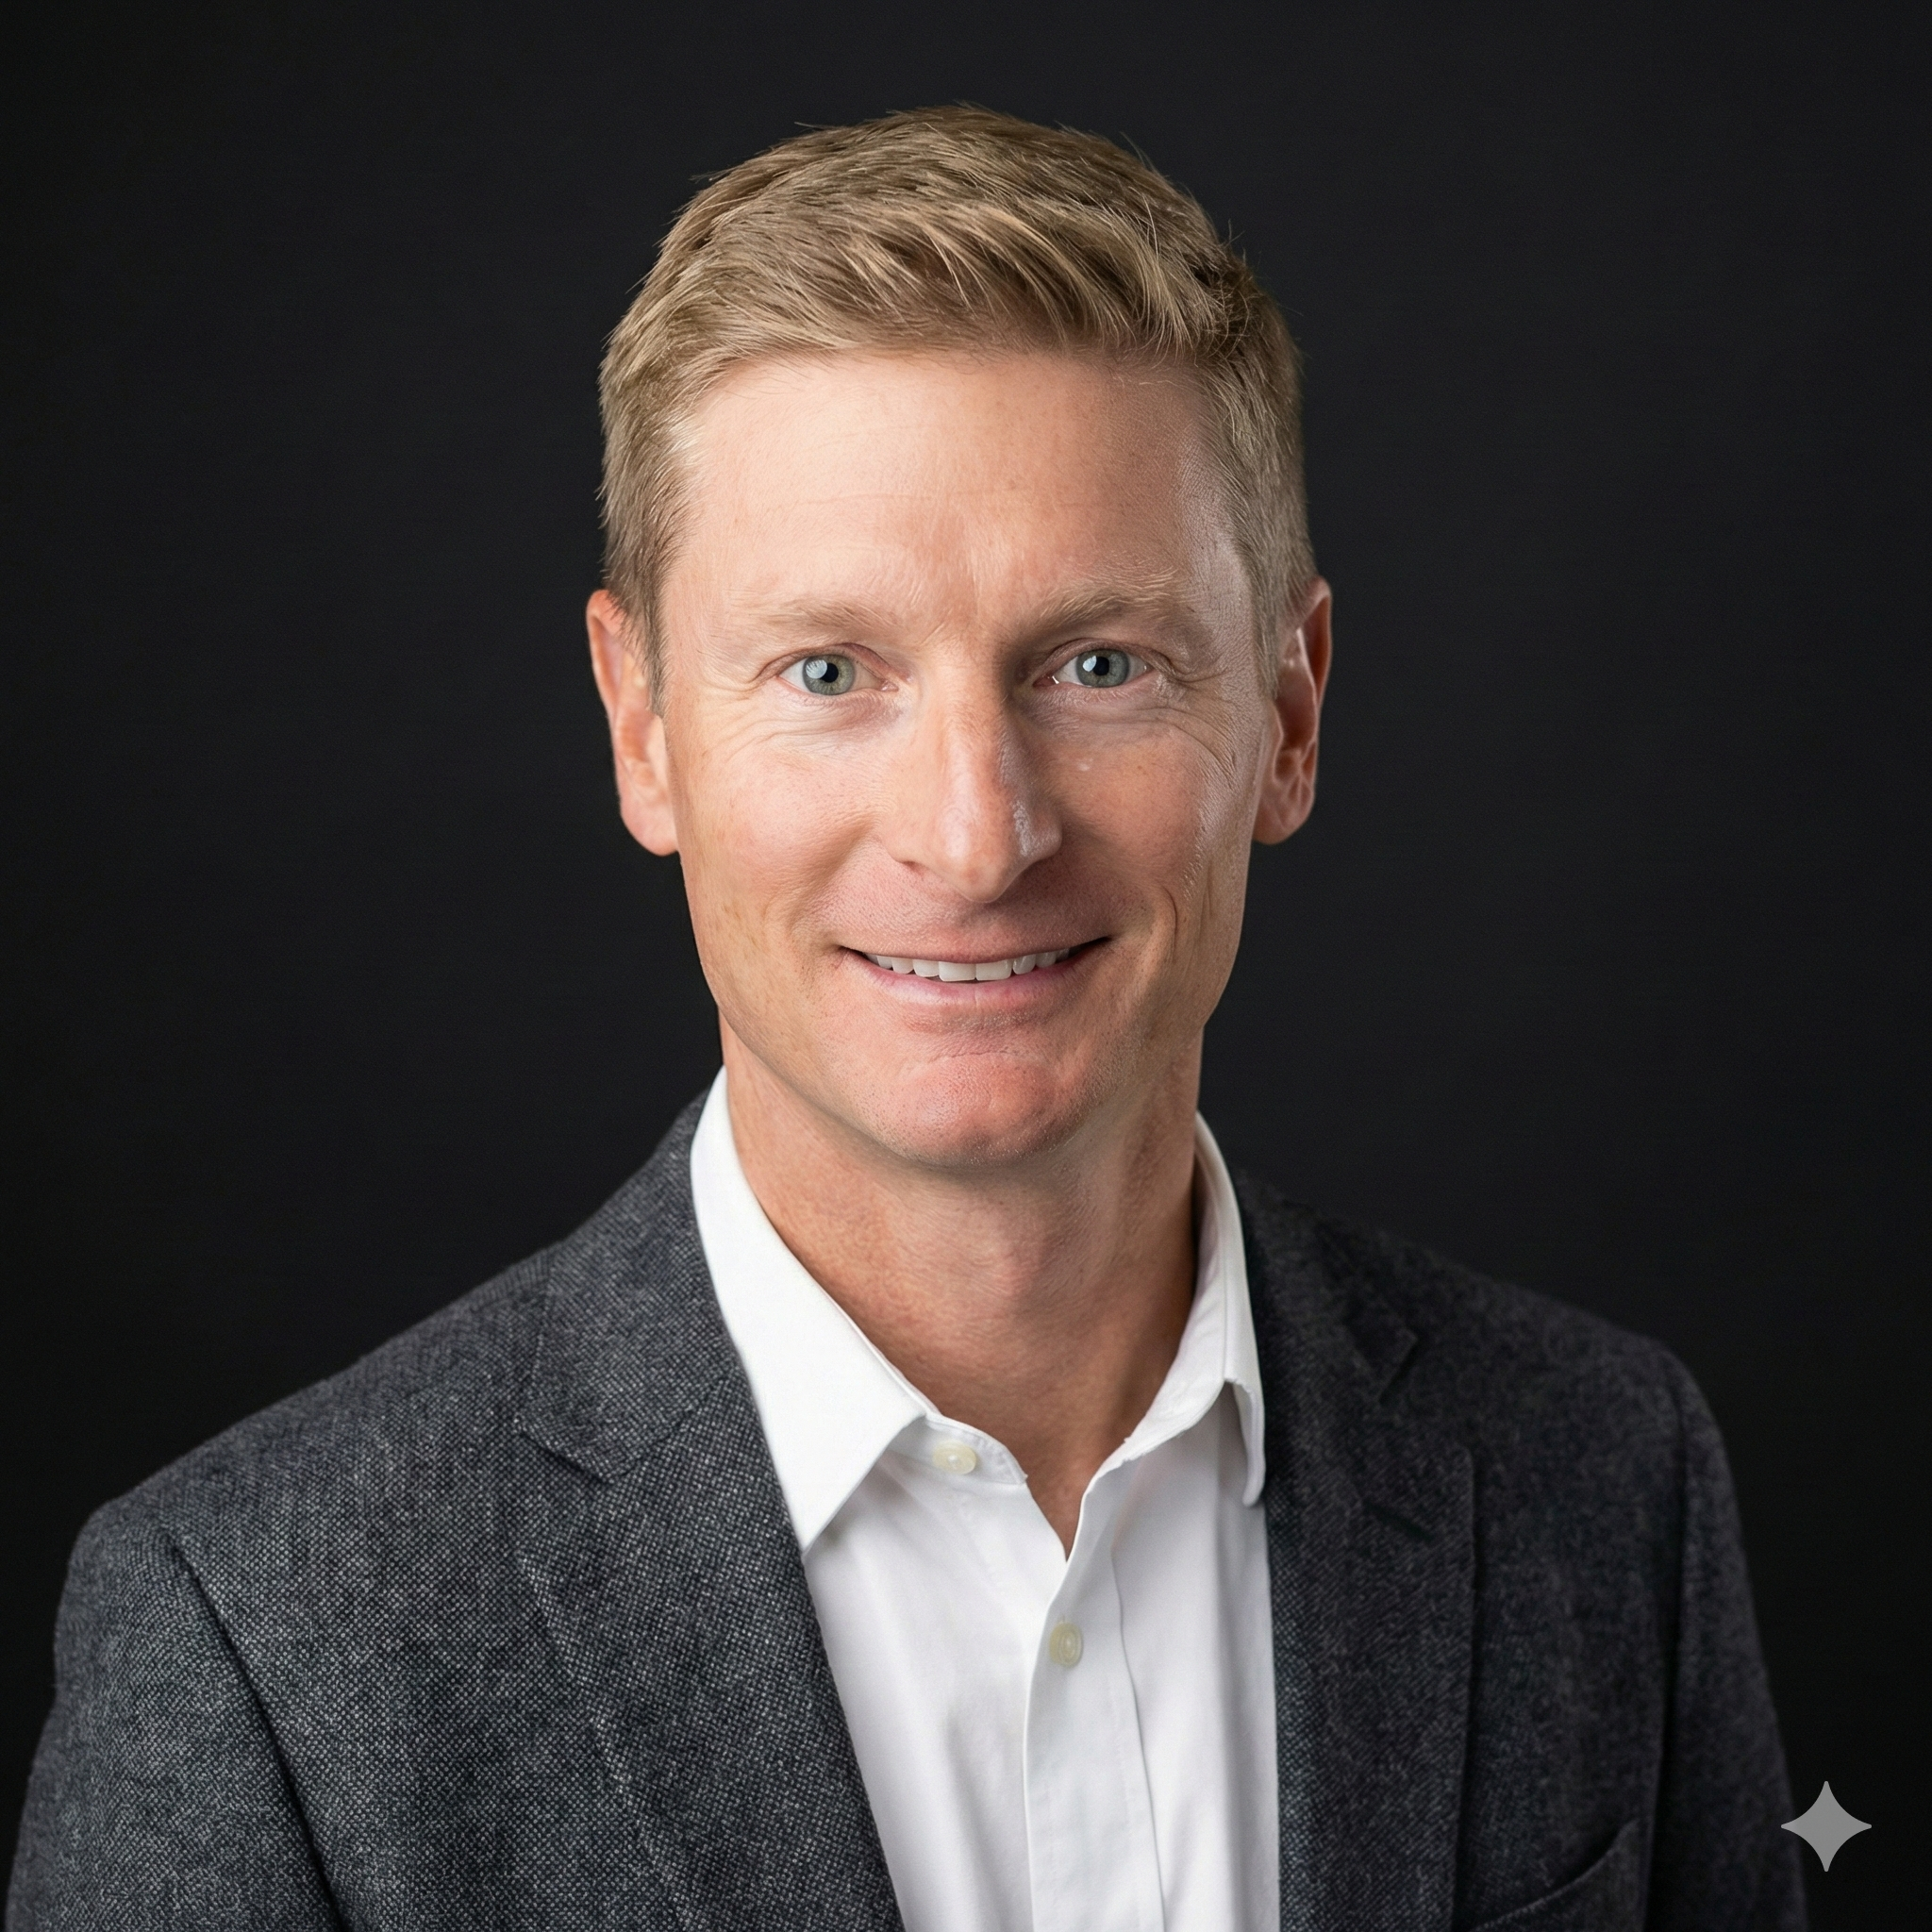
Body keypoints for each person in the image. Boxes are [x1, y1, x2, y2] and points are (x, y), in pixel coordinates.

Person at [8, 108, 1804, 1931]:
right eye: (830, 672)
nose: (975, 836)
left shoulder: (1604, 1476)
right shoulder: (256, 1638)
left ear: (1290, 712)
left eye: (1099, 664)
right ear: (642, 727)